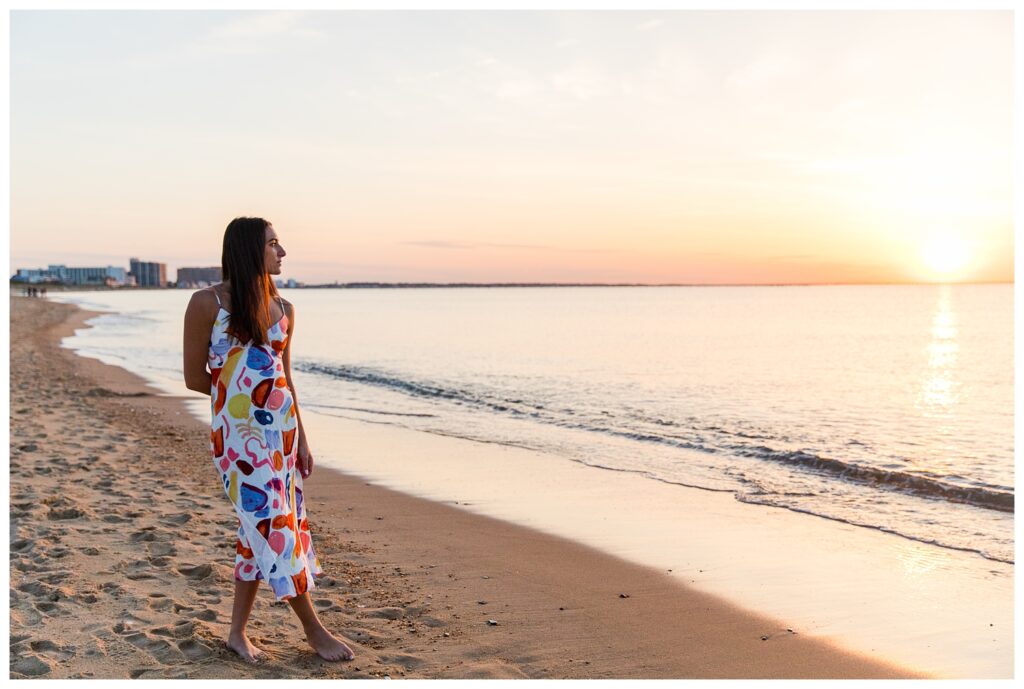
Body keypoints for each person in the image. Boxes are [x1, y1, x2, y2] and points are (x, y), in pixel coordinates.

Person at [182, 217, 354, 664]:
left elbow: (286, 380)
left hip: (283, 437)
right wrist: (239, 399)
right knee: (273, 526)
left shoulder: (284, 309)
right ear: (246, 251)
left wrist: (302, 441)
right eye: (273, 244)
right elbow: (193, 378)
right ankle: (314, 630)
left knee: (257, 530)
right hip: (240, 441)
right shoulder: (207, 304)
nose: (282, 252)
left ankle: (237, 634)